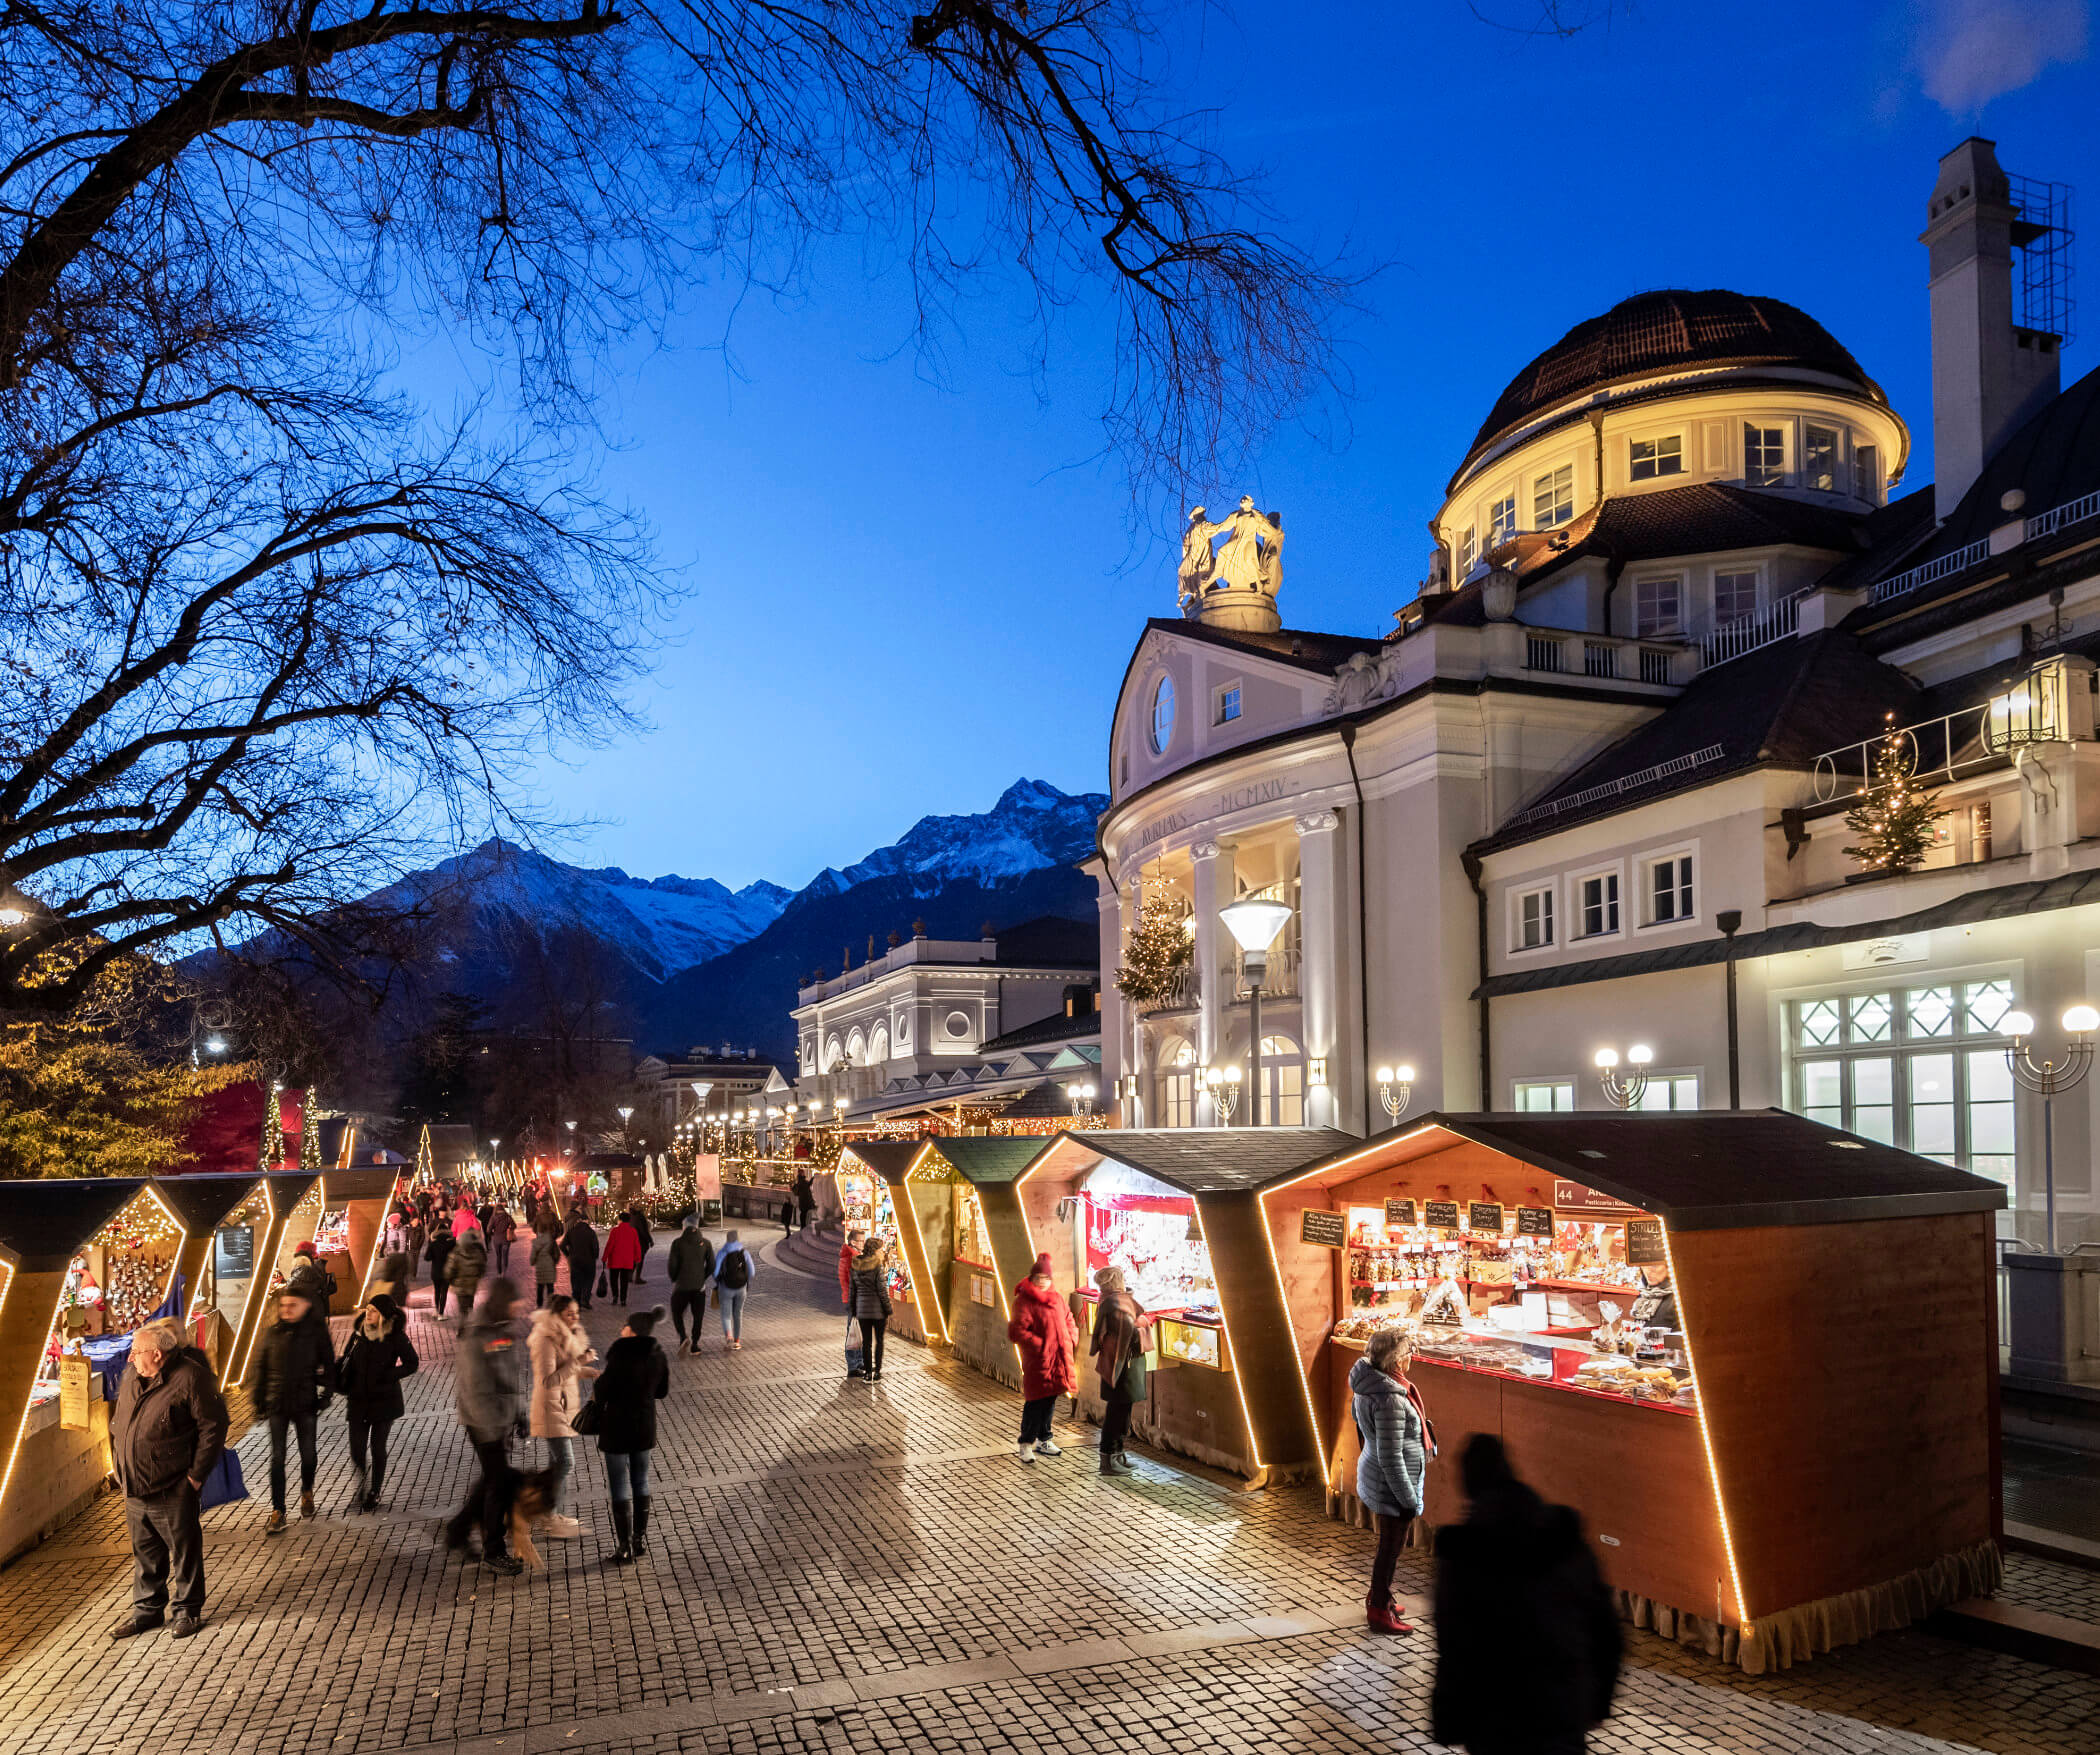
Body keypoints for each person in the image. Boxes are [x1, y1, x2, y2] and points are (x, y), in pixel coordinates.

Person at [1432, 1434, 1622, 1755]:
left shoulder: (1463, 1555)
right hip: (1561, 1706)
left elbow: (1454, 1643)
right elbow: (1606, 1630)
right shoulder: (1565, 1539)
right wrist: (1598, 1699)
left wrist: (1448, 1718)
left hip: (1495, 1716)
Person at [109, 1323, 226, 1640]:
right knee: (145, 1554)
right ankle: (147, 1611)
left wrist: (195, 1477)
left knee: (184, 1552)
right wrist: (119, 1465)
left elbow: (213, 1427)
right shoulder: (133, 1375)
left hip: (173, 1485)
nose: (130, 1357)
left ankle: (187, 1610)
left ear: (157, 1354)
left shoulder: (192, 1377)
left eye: (137, 1351)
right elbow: (122, 1420)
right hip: (134, 1486)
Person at [445, 1277, 529, 1575]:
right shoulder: (477, 1334)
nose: (520, 1308)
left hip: (499, 1419)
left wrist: (519, 1413)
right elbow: (476, 1387)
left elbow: (509, 1377)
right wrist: (493, 1428)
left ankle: (457, 1530)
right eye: (516, 1303)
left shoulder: (501, 1328)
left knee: (492, 1480)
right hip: (482, 1421)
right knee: (499, 1482)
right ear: (503, 1302)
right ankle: (494, 1550)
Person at [1351, 1326, 1431, 1634]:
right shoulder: (1390, 1399)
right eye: (1409, 1352)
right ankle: (1379, 1610)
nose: (1412, 1357)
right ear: (1397, 1360)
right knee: (1391, 1548)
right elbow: (1391, 1456)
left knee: (1390, 1545)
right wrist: (1408, 1499)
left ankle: (1380, 1596)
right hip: (1393, 1485)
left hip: (1379, 1476)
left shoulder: (1370, 1385)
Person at [586, 1304, 670, 1563]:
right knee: (641, 1481)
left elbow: (603, 1391)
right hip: (644, 1426)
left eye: (625, 1325)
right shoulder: (657, 1355)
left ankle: (624, 1547)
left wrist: (601, 1381)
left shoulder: (619, 1355)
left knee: (619, 1484)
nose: (621, 1328)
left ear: (632, 1330)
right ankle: (639, 1541)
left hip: (617, 1428)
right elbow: (662, 1391)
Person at [253, 1288, 335, 1532]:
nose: (286, 1309)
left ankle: (307, 1491)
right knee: (277, 1457)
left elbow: (330, 1365)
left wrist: (326, 1395)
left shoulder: (316, 1333)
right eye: (283, 1305)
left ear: (305, 1306)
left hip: (305, 1402)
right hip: (277, 1403)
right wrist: (259, 1399)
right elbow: (262, 1366)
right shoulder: (272, 1332)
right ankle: (278, 1510)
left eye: (292, 1305)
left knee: (308, 1454)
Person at [337, 1293, 418, 1511]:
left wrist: (389, 1375)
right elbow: (346, 1358)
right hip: (358, 1399)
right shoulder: (358, 1334)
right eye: (367, 1309)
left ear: (383, 1315)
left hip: (384, 1400)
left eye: (373, 1310)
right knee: (356, 1449)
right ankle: (362, 1483)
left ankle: (374, 1491)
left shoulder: (395, 1336)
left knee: (377, 1446)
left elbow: (412, 1363)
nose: (368, 1313)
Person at [528, 1294, 598, 1539]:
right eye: (570, 1313)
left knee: (556, 1464)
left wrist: (588, 1371)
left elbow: (564, 1371)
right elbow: (548, 1380)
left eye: (577, 1312)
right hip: (551, 1409)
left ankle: (552, 1513)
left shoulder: (565, 1337)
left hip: (563, 1408)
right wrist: (579, 1361)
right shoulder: (545, 1340)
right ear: (557, 1315)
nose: (575, 1317)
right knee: (566, 1462)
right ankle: (548, 1516)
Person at [1007, 1252, 1077, 1463]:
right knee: (1035, 1402)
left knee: (1050, 1399)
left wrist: (1070, 1338)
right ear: (1032, 1277)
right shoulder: (1024, 1301)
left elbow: (1069, 1319)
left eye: (1046, 1278)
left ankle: (1044, 1439)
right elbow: (1017, 1331)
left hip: (1058, 1360)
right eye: (1039, 1277)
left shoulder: (1057, 1298)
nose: (1043, 1282)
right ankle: (1026, 1443)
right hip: (1038, 1361)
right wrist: (1042, 1346)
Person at [1089, 1266, 1152, 1478]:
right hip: (1122, 1364)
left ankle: (1117, 1454)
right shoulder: (1116, 1303)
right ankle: (1108, 1458)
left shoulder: (1111, 1300)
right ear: (1117, 1280)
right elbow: (1130, 1332)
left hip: (1119, 1362)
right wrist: (1143, 1324)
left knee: (1121, 1410)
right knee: (1117, 1411)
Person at [666, 1216, 715, 1355]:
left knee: (677, 1312)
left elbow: (672, 1265)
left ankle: (683, 1336)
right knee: (698, 1316)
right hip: (699, 1287)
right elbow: (712, 1265)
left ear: (684, 1227)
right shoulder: (706, 1243)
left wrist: (675, 1278)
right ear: (697, 1226)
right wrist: (702, 1277)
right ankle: (695, 1344)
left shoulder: (677, 1243)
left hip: (681, 1286)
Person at [848, 1237, 893, 1383]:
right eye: (880, 1249)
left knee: (866, 1342)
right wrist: (888, 1309)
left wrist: (853, 1310)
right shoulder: (877, 1266)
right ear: (875, 1250)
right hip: (878, 1310)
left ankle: (868, 1374)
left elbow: (852, 1291)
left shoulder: (856, 1265)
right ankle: (877, 1372)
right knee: (879, 1341)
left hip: (862, 1310)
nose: (882, 1252)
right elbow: (882, 1291)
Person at [714, 1228, 754, 1349]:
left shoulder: (722, 1253)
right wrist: (744, 1280)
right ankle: (737, 1341)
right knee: (738, 1314)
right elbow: (752, 1272)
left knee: (726, 1315)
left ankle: (729, 1335)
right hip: (741, 1288)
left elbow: (715, 1273)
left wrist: (719, 1282)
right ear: (738, 1239)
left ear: (727, 1239)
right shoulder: (744, 1253)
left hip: (726, 1288)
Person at [448, 1223, 488, 1331]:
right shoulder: (477, 1252)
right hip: (471, 1285)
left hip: (459, 1286)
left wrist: (451, 1280)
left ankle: (462, 1328)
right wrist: (477, 1276)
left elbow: (449, 1270)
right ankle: (469, 1326)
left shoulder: (456, 1253)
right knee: (469, 1306)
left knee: (462, 1308)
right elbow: (482, 1267)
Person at [602, 1209, 642, 1306]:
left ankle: (615, 1296)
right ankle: (623, 1300)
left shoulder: (615, 1230)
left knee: (613, 1279)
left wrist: (604, 1257)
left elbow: (610, 1245)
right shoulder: (633, 1231)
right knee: (624, 1281)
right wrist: (638, 1258)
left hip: (615, 1260)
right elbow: (637, 1246)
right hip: (627, 1260)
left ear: (620, 1219)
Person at [561, 1211, 600, 1311]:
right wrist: (595, 1256)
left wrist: (568, 1255)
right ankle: (585, 1300)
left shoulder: (571, 1231)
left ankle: (576, 1303)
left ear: (578, 1221)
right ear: (586, 1221)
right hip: (589, 1261)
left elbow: (562, 1245)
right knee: (588, 1280)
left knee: (576, 1282)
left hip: (575, 1261)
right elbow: (595, 1248)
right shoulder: (591, 1232)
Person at [425, 1220, 457, 1317]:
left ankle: (436, 1310)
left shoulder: (433, 1243)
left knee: (437, 1290)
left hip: (436, 1271)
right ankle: (441, 1313)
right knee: (444, 1292)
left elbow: (427, 1258)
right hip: (447, 1271)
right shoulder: (452, 1243)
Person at [531, 1220, 562, 1308]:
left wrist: (533, 1262)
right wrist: (554, 1262)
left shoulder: (536, 1242)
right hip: (550, 1266)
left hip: (540, 1267)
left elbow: (533, 1256)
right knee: (550, 1286)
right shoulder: (552, 1241)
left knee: (540, 1286)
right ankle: (550, 1304)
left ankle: (539, 1304)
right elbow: (557, 1254)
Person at [488, 1202, 516, 1276]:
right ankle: (504, 1271)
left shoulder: (493, 1217)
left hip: (496, 1239)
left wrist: (493, 1234)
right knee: (505, 1255)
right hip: (506, 1239)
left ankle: (499, 1272)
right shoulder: (507, 1216)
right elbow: (514, 1225)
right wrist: (509, 1228)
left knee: (498, 1256)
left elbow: (488, 1229)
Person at [794, 1170, 816, 1235]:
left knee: (804, 1214)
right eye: (803, 1173)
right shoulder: (801, 1181)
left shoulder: (801, 1181)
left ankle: (803, 1227)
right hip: (804, 1201)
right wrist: (813, 1178)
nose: (804, 1173)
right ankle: (803, 1227)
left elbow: (808, 1184)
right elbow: (808, 1184)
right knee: (804, 1215)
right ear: (801, 1173)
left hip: (803, 1201)